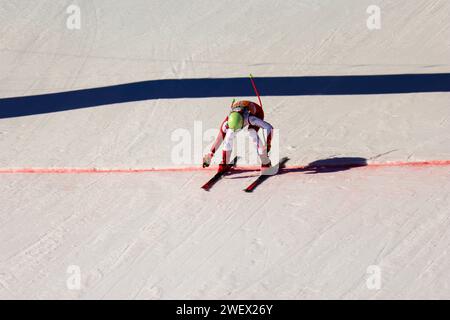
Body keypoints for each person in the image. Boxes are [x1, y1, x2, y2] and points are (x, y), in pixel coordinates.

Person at [203, 100, 273, 172]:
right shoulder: (227, 123)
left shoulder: (251, 119)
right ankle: (224, 163)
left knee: (252, 132)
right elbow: (219, 139)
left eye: (238, 129)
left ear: (243, 123)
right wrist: (210, 155)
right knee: (229, 135)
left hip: (257, 113)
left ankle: (265, 161)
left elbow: (269, 127)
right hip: (239, 114)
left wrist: (268, 144)